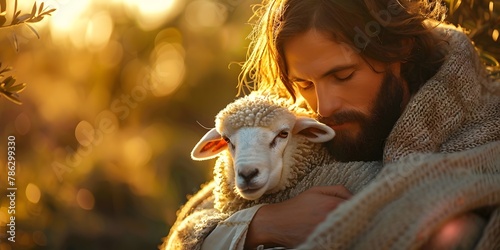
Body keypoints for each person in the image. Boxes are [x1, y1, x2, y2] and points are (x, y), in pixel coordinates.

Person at [162, 0, 500, 249]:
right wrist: (263, 223)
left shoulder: (486, 124)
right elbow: (192, 230)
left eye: (342, 75)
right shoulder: (294, 133)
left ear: (398, 51)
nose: (323, 106)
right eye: (304, 84)